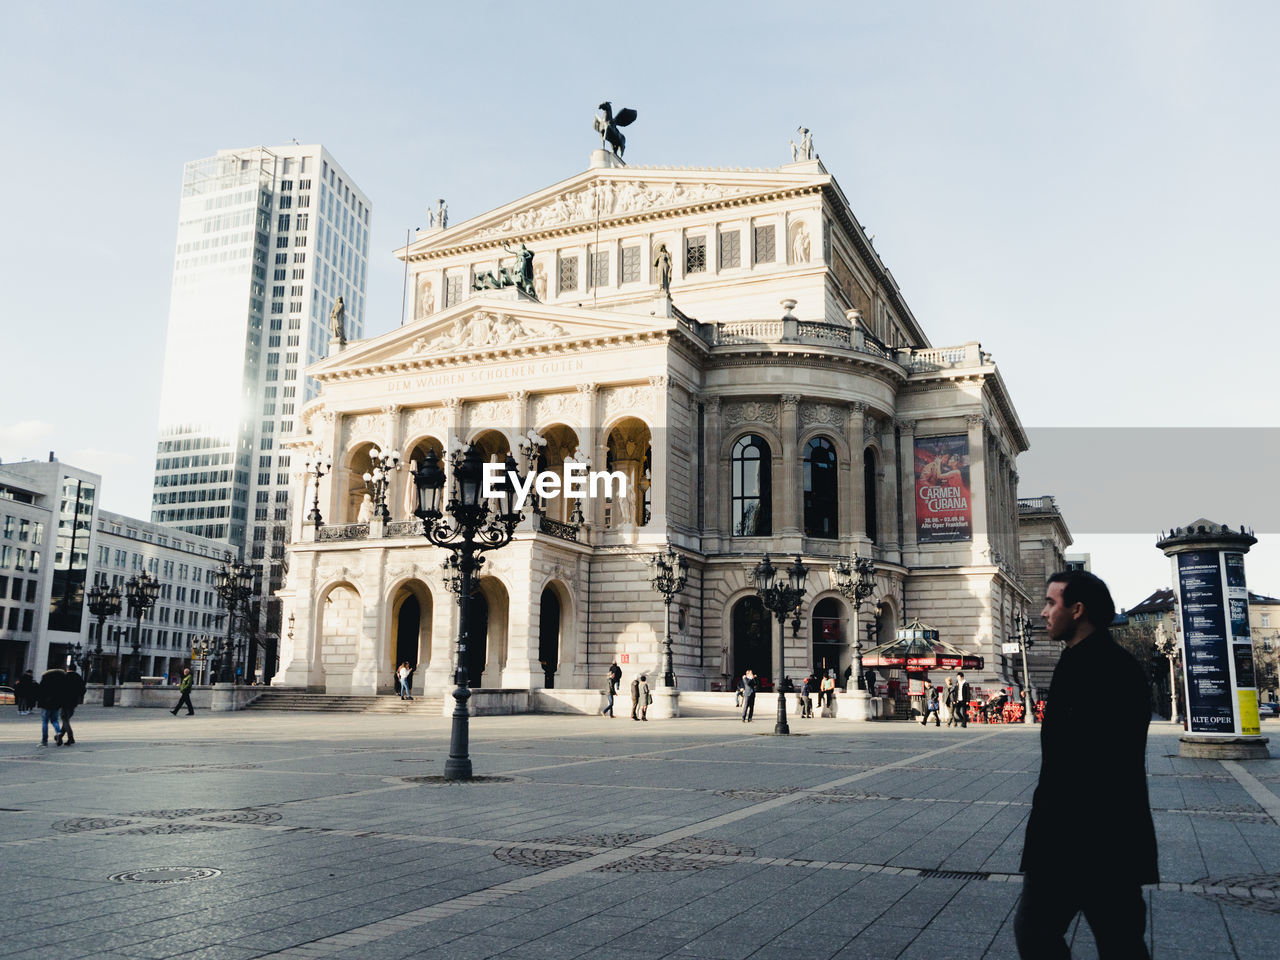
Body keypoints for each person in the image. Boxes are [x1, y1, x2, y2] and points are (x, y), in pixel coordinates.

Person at [1015, 570, 1157, 959]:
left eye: (1050, 602)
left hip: (1084, 837)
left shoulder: (1105, 668)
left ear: (1077, 610)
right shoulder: (1087, 661)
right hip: (1098, 837)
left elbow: (1092, 764)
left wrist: (1054, 835)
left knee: (1038, 932)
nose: (1042, 612)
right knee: (1119, 941)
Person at [59, 665, 87, 745]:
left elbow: (59, 689)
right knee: (66, 718)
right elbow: (83, 690)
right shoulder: (78, 677)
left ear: (67, 669)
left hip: (64, 701)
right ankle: (60, 735)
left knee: (64, 718)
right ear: (75, 669)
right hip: (73, 701)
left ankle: (70, 737)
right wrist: (78, 697)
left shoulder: (64, 676)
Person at [37, 668, 65, 746]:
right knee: (55, 720)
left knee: (45, 721)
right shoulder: (61, 679)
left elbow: (40, 690)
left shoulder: (45, 678)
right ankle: (59, 733)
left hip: (46, 703)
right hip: (56, 703)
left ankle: (44, 741)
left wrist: (40, 701)